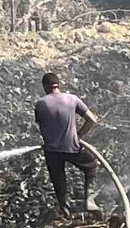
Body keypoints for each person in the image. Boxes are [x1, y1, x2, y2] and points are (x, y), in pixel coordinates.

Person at [35, 72, 99, 216]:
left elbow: (42, 127)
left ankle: (66, 212)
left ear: (45, 87)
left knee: (59, 180)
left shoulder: (41, 103)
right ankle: (90, 200)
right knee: (91, 166)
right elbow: (92, 120)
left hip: (51, 151)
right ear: (58, 85)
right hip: (72, 146)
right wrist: (79, 135)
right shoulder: (72, 99)